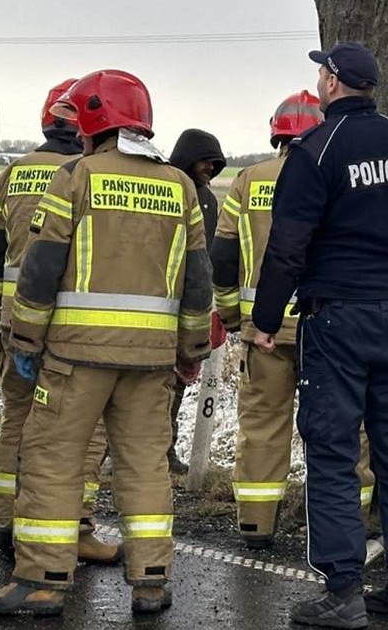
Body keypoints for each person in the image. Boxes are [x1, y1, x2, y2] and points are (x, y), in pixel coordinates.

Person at [0, 69, 212, 616]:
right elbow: (197, 283)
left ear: (96, 121)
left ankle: (44, 578)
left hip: (74, 358)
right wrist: (191, 351)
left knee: (53, 459)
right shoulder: (180, 188)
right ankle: (151, 580)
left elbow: (40, 269)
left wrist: (25, 339)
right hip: (151, 364)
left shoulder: (76, 177)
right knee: (145, 465)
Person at [251, 42, 388, 628]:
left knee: (334, 452)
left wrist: (264, 323)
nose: (317, 77)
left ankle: (343, 593)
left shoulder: (317, 149)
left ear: (334, 83)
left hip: (340, 319)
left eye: (321, 70)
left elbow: (287, 246)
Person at [211, 91, 374, 550]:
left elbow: (223, 255)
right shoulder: (336, 171)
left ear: (276, 133)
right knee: (341, 425)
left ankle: (256, 526)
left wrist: (229, 312)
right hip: (327, 327)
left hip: (263, 330)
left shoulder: (248, 180)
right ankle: (346, 523)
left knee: (262, 424)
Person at [0, 78, 117, 565]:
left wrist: (5, 307)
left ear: (45, 120)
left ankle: (7, 521)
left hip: (18, 326)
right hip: (72, 331)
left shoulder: (13, 173)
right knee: (83, 430)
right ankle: (75, 525)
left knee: (16, 421)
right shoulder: (90, 173)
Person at [166, 128, 227, 475]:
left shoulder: (207, 199)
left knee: (179, 380)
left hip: (194, 301)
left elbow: (209, 254)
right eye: (205, 161)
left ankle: (166, 448)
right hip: (163, 300)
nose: (210, 168)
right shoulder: (169, 185)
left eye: (215, 164)